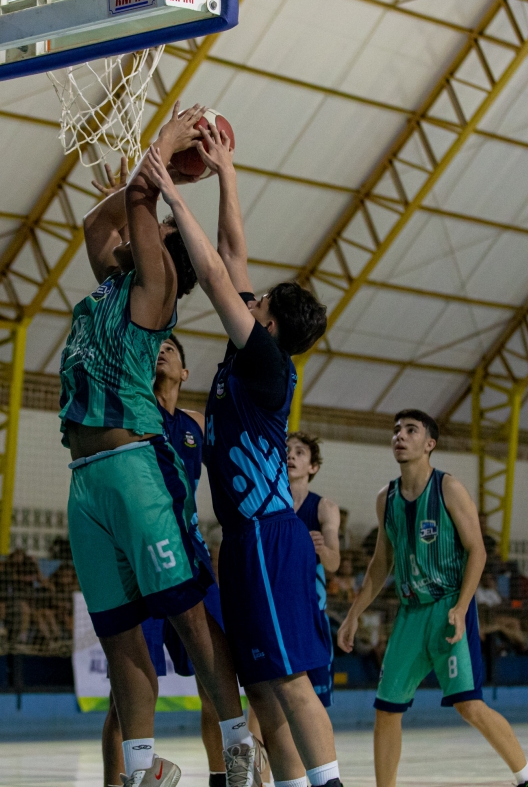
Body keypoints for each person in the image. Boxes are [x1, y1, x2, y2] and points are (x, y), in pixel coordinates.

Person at [59, 103, 255, 787]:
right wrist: (137, 180)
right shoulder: (113, 287)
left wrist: (166, 151)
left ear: (162, 250)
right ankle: (144, 769)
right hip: (85, 478)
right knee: (119, 635)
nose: (127, 236)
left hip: (136, 468)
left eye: (148, 234)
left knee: (191, 618)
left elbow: (140, 203)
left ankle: (239, 741)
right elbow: (98, 224)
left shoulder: (159, 286)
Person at [142, 130, 343, 787]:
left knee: (290, 684)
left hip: (268, 538)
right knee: (261, 693)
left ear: (271, 325)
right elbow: (233, 254)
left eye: (259, 304)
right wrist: (226, 172)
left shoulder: (265, 362)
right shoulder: (250, 354)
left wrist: (173, 193)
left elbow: (214, 273)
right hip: (242, 541)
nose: (247, 299)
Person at [337, 410, 528, 787]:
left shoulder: (448, 488)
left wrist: (462, 606)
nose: (400, 436)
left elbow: (477, 550)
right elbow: (381, 563)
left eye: (411, 430)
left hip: (448, 606)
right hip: (409, 613)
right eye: (396, 430)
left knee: (469, 705)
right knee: (387, 710)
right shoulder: (386, 498)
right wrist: (354, 614)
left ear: (429, 444)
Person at [101, 333, 230, 787]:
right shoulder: (131, 413)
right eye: (157, 348)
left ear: (185, 373)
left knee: (216, 682)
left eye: (171, 350)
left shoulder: (197, 424)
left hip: (191, 557)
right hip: (140, 560)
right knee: (128, 696)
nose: (162, 351)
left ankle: (221, 777)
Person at [287, 431, 340, 708]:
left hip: (310, 614)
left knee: (315, 703)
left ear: (313, 467)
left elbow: (334, 563)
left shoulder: (324, 507)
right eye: (287, 451)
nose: (290, 456)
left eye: (299, 452)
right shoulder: (267, 503)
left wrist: (321, 548)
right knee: (265, 696)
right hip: (276, 611)